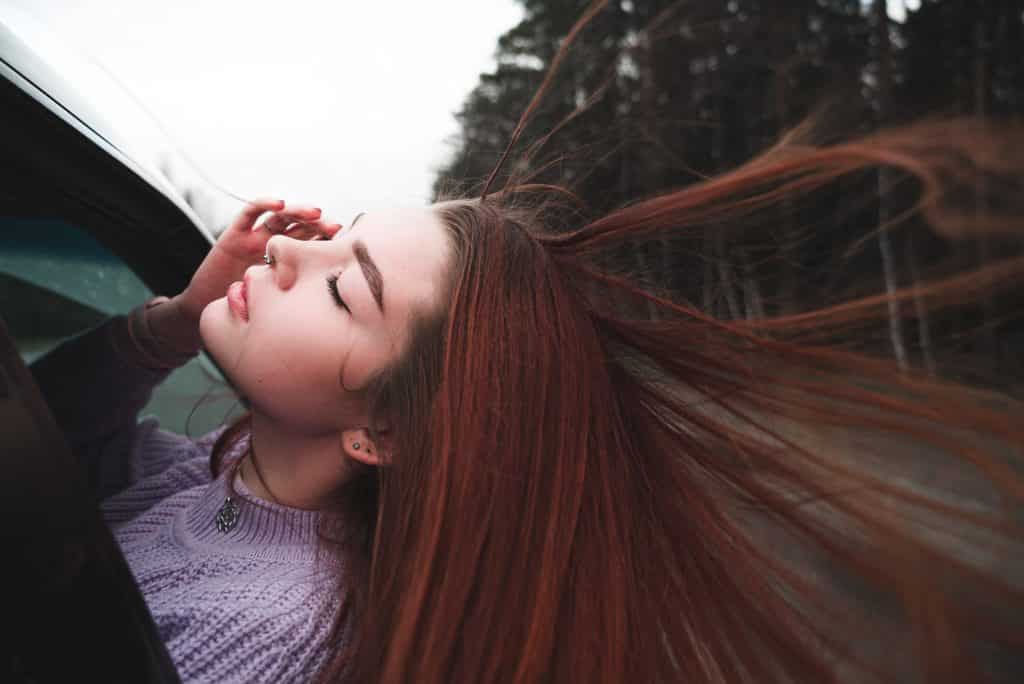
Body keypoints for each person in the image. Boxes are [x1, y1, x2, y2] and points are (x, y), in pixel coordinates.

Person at [29, 16, 1024, 684]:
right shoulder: (215, 477)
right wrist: (168, 321)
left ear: (385, 427)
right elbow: (46, 439)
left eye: (343, 284)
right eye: (333, 236)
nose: (284, 246)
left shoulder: (274, 626)